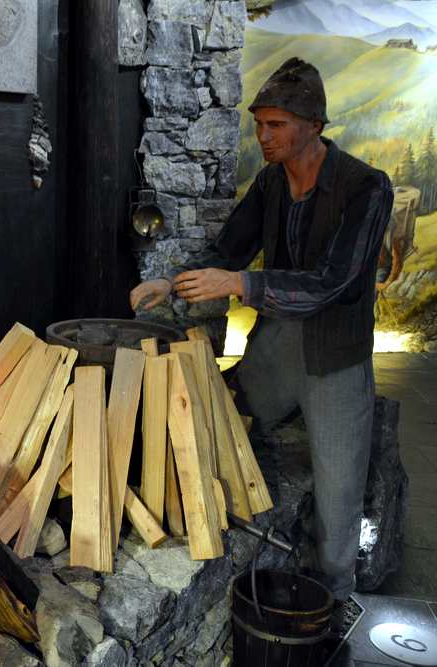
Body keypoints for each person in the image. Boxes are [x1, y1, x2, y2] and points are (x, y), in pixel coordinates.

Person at [130, 57, 394, 602]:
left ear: (314, 125)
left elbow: (331, 284)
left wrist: (240, 286)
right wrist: (171, 282)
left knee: (340, 489)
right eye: (259, 124)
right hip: (278, 343)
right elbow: (229, 249)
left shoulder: (366, 188)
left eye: (276, 125)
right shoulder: (271, 183)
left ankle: (334, 595)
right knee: (229, 414)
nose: (264, 136)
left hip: (336, 354)